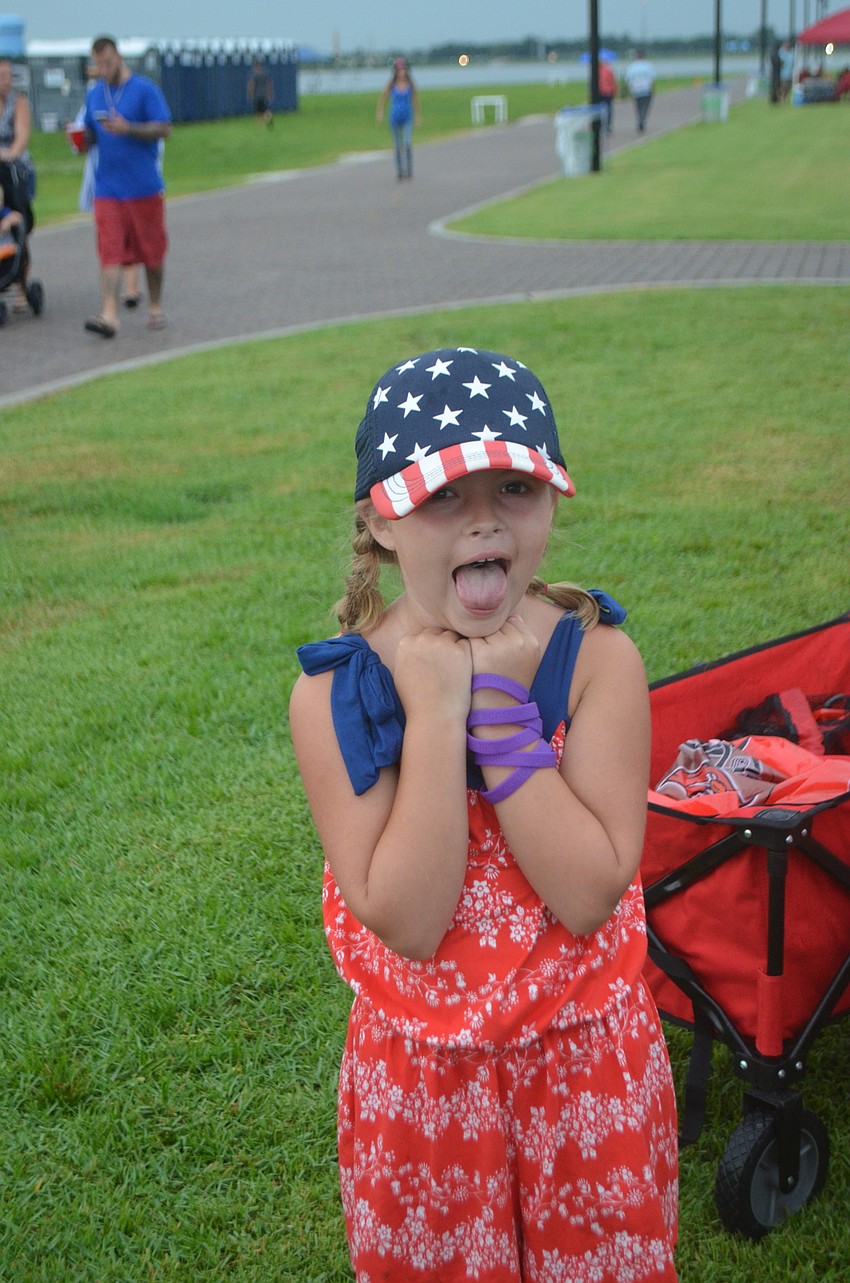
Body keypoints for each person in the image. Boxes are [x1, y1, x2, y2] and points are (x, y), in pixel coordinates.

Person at [290, 346, 679, 1283]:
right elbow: (412, 919)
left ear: (551, 505)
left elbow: (589, 894)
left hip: (587, 1061)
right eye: (444, 498)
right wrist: (433, 712)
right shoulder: (338, 692)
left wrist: (502, 720)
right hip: (424, 1083)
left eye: (513, 489)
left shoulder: (594, 660)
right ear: (380, 520)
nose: (482, 523)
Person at [81, 36, 172, 338]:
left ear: (118, 57)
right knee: (109, 251)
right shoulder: (94, 94)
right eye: (98, 64)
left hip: (143, 188)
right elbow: (92, 133)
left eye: (108, 62)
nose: (104, 69)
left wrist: (129, 128)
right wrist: (81, 140)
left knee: (152, 252)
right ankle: (109, 314)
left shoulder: (145, 89)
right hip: (107, 188)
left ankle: (156, 305)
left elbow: (164, 128)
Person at [0, 57, 35, 310]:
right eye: (2, 76)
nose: (7, 82)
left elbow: (21, 138)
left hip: (15, 172)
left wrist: (9, 155)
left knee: (20, 225)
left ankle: (22, 285)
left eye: (9, 76)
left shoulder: (18, 102)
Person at [376, 57, 420, 179]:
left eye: (403, 69)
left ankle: (409, 169)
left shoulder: (410, 84)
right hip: (395, 116)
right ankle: (400, 171)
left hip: (407, 116)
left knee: (407, 143)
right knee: (397, 145)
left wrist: (417, 115)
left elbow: (415, 100)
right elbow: (383, 99)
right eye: (399, 70)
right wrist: (380, 113)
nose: (401, 72)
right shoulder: (392, 84)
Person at [626, 48, 656, 132]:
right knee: (645, 107)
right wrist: (652, 89)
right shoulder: (648, 66)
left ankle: (640, 120)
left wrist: (630, 90)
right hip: (646, 89)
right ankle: (642, 120)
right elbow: (651, 79)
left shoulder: (631, 67)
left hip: (636, 90)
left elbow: (628, 80)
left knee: (638, 107)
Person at [247, 58, 273, 127]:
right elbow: (269, 84)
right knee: (265, 109)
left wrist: (250, 94)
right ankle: (269, 117)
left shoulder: (254, 74)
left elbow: (252, 85)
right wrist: (269, 94)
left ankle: (259, 125)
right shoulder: (265, 73)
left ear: (256, 65)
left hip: (257, 95)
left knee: (258, 111)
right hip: (264, 94)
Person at [598, 58, 618, 133]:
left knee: (599, 109)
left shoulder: (596, 71)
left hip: (599, 92)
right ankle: (607, 125)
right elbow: (612, 81)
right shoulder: (608, 70)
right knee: (609, 109)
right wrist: (614, 90)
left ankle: (601, 124)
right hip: (608, 92)